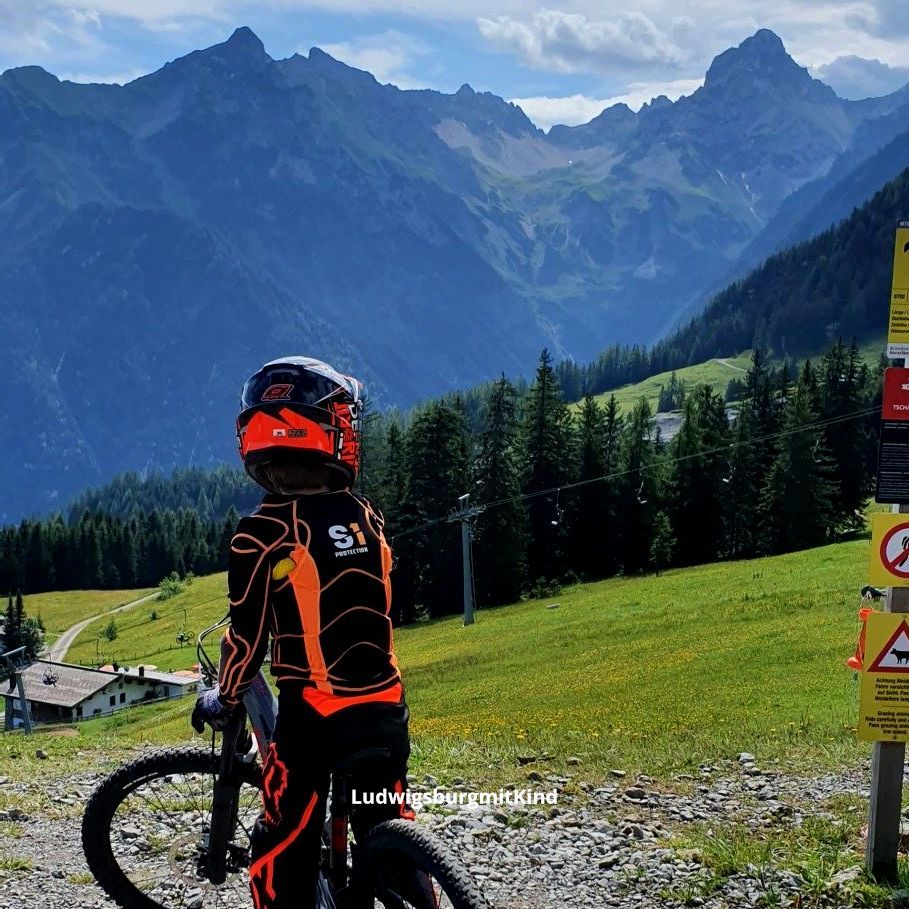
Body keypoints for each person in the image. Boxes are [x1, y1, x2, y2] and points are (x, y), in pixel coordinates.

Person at [191, 356, 413, 909]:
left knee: (281, 842)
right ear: (321, 433)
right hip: (387, 706)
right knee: (384, 826)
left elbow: (247, 642)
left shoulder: (262, 531)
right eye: (343, 419)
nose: (350, 429)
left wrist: (224, 697)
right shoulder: (367, 514)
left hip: (315, 719)